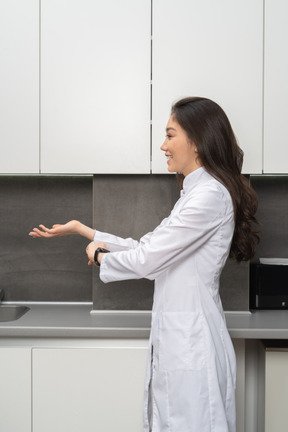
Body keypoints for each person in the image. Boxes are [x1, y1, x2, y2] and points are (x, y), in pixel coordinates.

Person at [29, 97, 259, 432]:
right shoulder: (196, 195)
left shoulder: (208, 196)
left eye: (170, 135)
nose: (163, 145)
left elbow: (148, 261)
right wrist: (84, 230)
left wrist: (100, 256)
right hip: (182, 337)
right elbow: (148, 248)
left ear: (197, 142)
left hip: (192, 342)